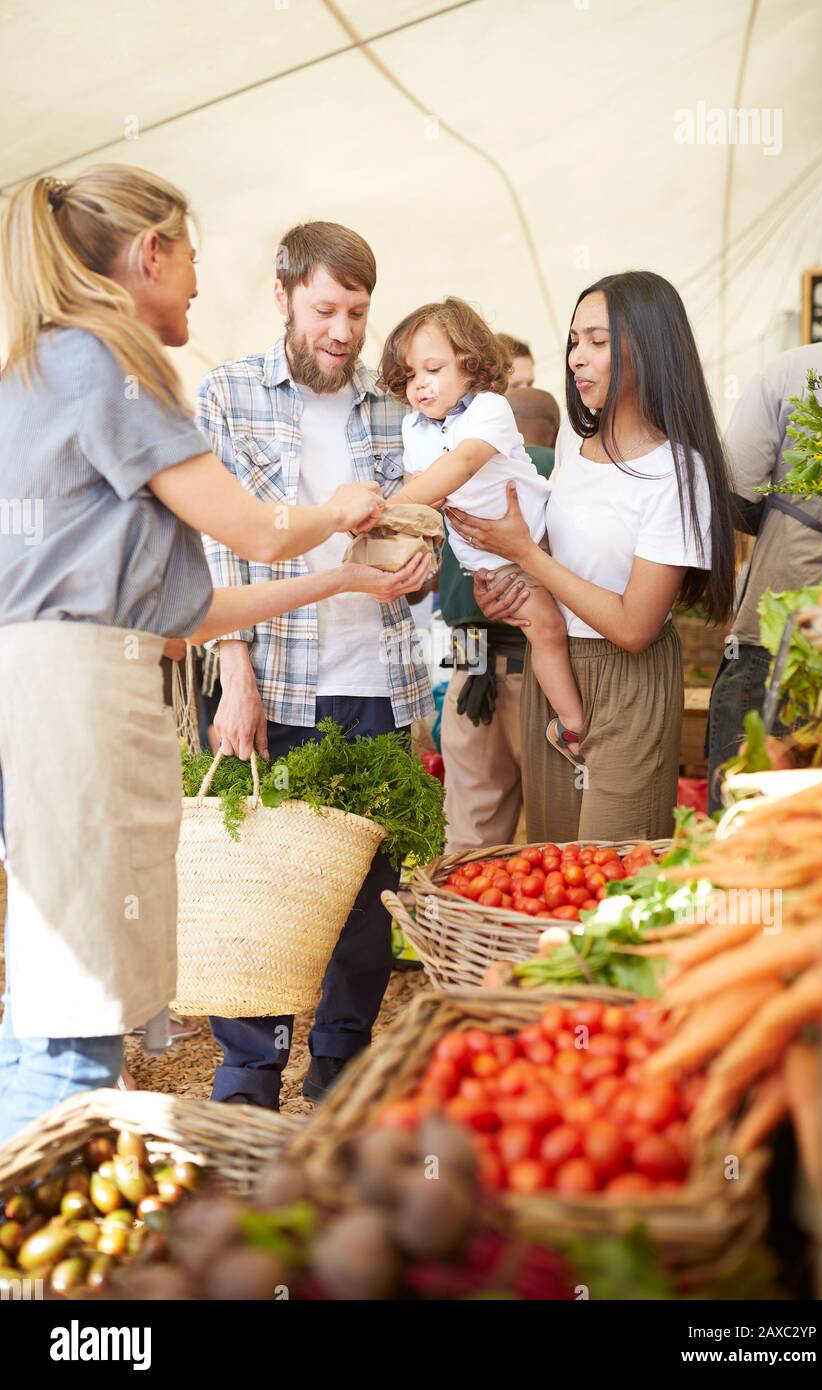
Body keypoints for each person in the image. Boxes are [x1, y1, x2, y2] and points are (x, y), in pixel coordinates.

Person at [0, 166, 403, 1142]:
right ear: (149, 253)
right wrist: (338, 514)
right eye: (190, 260)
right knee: (73, 1022)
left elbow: (189, 607)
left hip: (74, 686)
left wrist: (340, 581)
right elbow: (258, 530)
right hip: (74, 703)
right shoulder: (106, 358)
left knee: (55, 1009)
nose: (192, 285)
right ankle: (42, 1269)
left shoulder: (52, 363)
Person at [198, 221, 433, 1108]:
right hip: (275, 676)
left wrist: (419, 572)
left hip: (375, 679)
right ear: (284, 295)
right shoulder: (226, 395)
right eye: (326, 308)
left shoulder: (393, 407)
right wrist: (236, 673)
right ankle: (249, 1075)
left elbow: (417, 534)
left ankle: (339, 1071)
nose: (342, 330)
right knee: (261, 889)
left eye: (358, 312)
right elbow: (216, 548)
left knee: (366, 898)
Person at [447, 270, 735, 843]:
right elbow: (559, 568)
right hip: (552, 670)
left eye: (598, 342)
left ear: (650, 349)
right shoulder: (571, 451)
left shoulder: (678, 471)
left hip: (627, 680)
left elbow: (634, 626)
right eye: (575, 341)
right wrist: (508, 591)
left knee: (608, 873)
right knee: (553, 857)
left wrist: (525, 553)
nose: (578, 357)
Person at [380, 297, 585, 762]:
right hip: (488, 568)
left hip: (538, 543)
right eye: (410, 376)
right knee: (545, 626)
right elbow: (423, 493)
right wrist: (398, 526)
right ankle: (574, 726)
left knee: (554, 627)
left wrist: (390, 509)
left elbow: (462, 464)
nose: (420, 385)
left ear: (471, 367)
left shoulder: (489, 409)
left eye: (432, 369)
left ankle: (573, 722)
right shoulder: (414, 429)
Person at [705, 286, 822, 811]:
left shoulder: (790, 369)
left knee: (753, 804)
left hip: (782, 628)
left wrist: (797, 513)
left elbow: (733, 494)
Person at [438, 387, 560, 850]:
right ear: (554, 429)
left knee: (469, 833)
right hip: (534, 667)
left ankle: (463, 918)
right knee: (555, 833)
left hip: (468, 664)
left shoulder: (457, 469)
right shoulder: (556, 469)